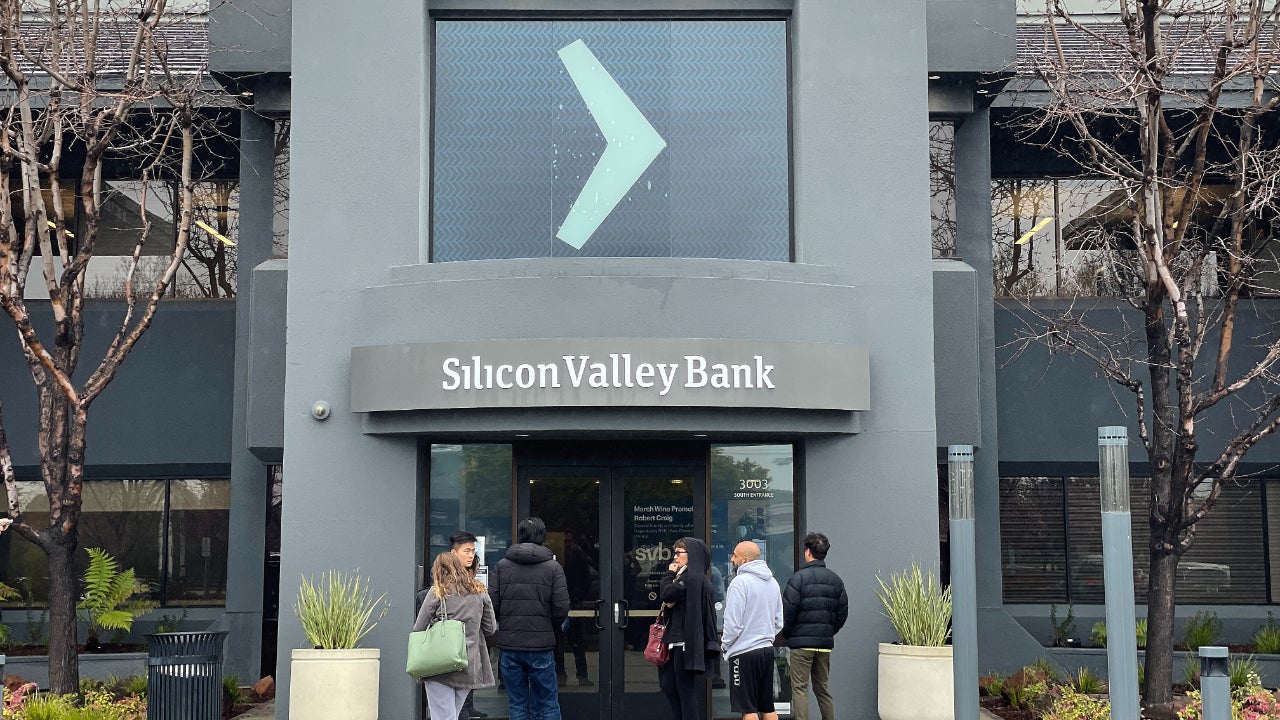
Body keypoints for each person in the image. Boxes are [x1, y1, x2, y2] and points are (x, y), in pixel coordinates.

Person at [488, 517, 569, 720]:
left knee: (517, 704)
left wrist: (506, 622)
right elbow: (561, 607)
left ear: (520, 535)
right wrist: (548, 626)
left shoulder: (501, 566)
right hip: (541, 646)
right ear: (542, 536)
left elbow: (491, 605)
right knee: (548, 704)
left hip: (510, 644)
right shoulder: (553, 568)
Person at [414, 551, 498, 720]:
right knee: (452, 714)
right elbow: (491, 629)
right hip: (468, 663)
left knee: (443, 716)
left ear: (438, 570)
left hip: (439, 664)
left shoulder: (438, 591)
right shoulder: (480, 591)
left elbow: (419, 627)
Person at [781, 532, 849, 720]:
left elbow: (787, 612)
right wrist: (828, 631)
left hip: (801, 645)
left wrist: (788, 635)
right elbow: (842, 613)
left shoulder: (798, 578)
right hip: (824, 644)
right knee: (823, 689)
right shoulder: (836, 580)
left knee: (800, 689)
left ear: (808, 552)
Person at [659, 537, 720, 720]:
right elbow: (669, 598)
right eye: (674, 552)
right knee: (669, 685)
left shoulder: (691, 578)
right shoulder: (686, 577)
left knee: (685, 689)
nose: (675, 558)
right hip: (675, 639)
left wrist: (668, 574)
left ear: (691, 555)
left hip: (686, 641)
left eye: (679, 553)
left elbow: (667, 593)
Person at [721, 541, 784, 720]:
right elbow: (779, 621)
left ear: (745, 560)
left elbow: (733, 623)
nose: (732, 559)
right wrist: (767, 637)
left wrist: (725, 645)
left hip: (744, 652)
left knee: (748, 709)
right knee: (767, 707)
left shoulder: (739, 583)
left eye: (735, 555)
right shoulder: (773, 583)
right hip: (766, 650)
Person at [554, 530, 592, 686]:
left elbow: (585, 579)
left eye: (569, 541)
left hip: (574, 604)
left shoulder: (577, 557)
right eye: (564, 542)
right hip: (558, 606)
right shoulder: (556, 560)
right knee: (557, 645)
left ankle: (582, 675)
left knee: (577, 643)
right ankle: (560, 675)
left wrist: (578, 596)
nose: (567, 545)